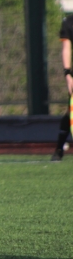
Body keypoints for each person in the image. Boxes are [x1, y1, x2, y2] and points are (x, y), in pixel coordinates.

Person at [50, 14, 73, 161]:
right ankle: (59, 148)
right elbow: (66, 48)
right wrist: (68, 75)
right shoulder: (69, 22)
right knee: (69, 112)